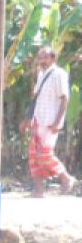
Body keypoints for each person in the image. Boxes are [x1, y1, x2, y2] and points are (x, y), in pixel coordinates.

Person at [21, 46, 76, 196]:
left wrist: (58, 122)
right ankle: (39, 190)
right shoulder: (41, 74)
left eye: (45, 58)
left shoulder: (59, 74)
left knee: (44, 154)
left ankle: (66, 178)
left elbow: (65, 98)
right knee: (33, 155)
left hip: (50, 121)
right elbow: (35, 98)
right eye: (40, 58)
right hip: (38, 119)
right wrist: (28, 119)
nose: (42, 61)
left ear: (53, 58)